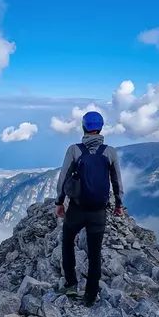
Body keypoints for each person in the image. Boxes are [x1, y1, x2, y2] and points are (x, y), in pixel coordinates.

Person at [55, 111, 125, 306]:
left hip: (77, 209)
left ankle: (70, 285)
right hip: (99, 211)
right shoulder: (109, 152)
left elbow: (63, 178)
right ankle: (90, 296)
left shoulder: (74, 150)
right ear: (100, 128)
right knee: (95, 254)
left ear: (83, 127)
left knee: (67, 243)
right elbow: (117, 180)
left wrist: (59, 203)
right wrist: (119, 205)